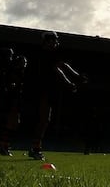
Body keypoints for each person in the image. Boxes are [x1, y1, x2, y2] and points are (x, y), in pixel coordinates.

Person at [28, 30, 84, 160]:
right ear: (47, 41)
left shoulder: (50, 54)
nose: (55, 43)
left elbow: (63, 65)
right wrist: (70, 82)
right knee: (43, 119)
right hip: (42, 89)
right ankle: (35, 148)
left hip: (47, 89)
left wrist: (76, 76)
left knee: (44, 119)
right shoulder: (44, 55)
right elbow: (58, 69)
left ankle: (35, 147)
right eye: (53, 40)